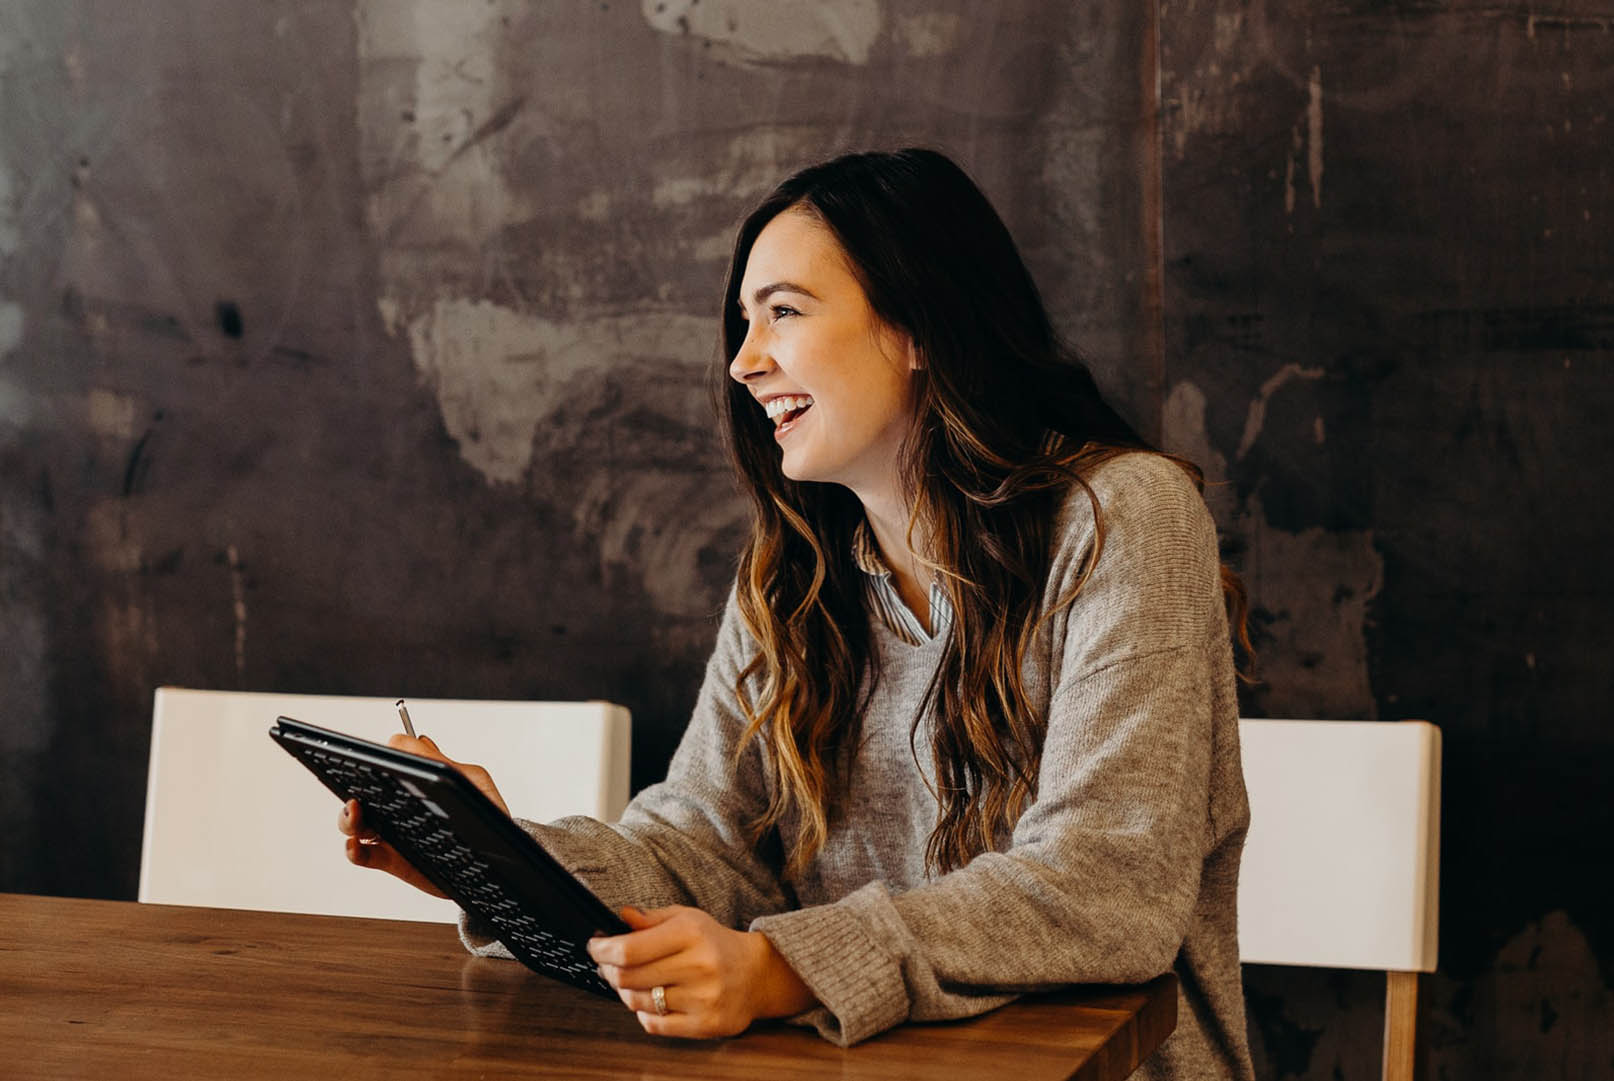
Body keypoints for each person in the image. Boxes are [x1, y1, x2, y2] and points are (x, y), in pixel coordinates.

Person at [338, 147, 1256, 1081]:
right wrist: (499, 858)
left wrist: (782, 969)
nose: (744, 362)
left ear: (917, 326)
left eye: (782, 311)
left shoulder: (1121, 517)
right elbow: (701, 849)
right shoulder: (792, 576)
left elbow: (1106, 886)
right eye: (744, 322)